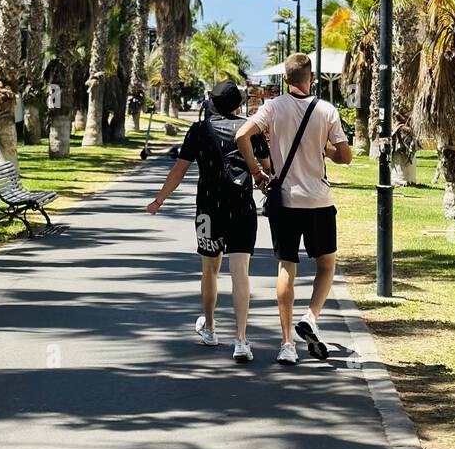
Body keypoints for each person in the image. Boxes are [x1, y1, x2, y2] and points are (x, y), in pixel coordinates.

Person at [236, 52, 352, 365]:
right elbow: (345, 156)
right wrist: (322, 147)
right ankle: (311, 317)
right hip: (318, 200)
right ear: (311, 78)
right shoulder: (327, 110)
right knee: (326, 264)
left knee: (287, 266)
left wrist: (257, 172)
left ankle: (287, 344)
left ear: (286, 79)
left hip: (284, 200)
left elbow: (241, 135)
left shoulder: (272, 107)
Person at [147, 80, 271, 363]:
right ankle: (241, 340)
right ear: (239, 105)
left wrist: (159, 200)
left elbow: (179, 171)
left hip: (207, 210)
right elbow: (267, 168)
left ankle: (211, 329)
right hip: (242, 207)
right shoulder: (250, 129)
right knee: (240, 272)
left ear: (212, 103)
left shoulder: (199, 130)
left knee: (209, 269)